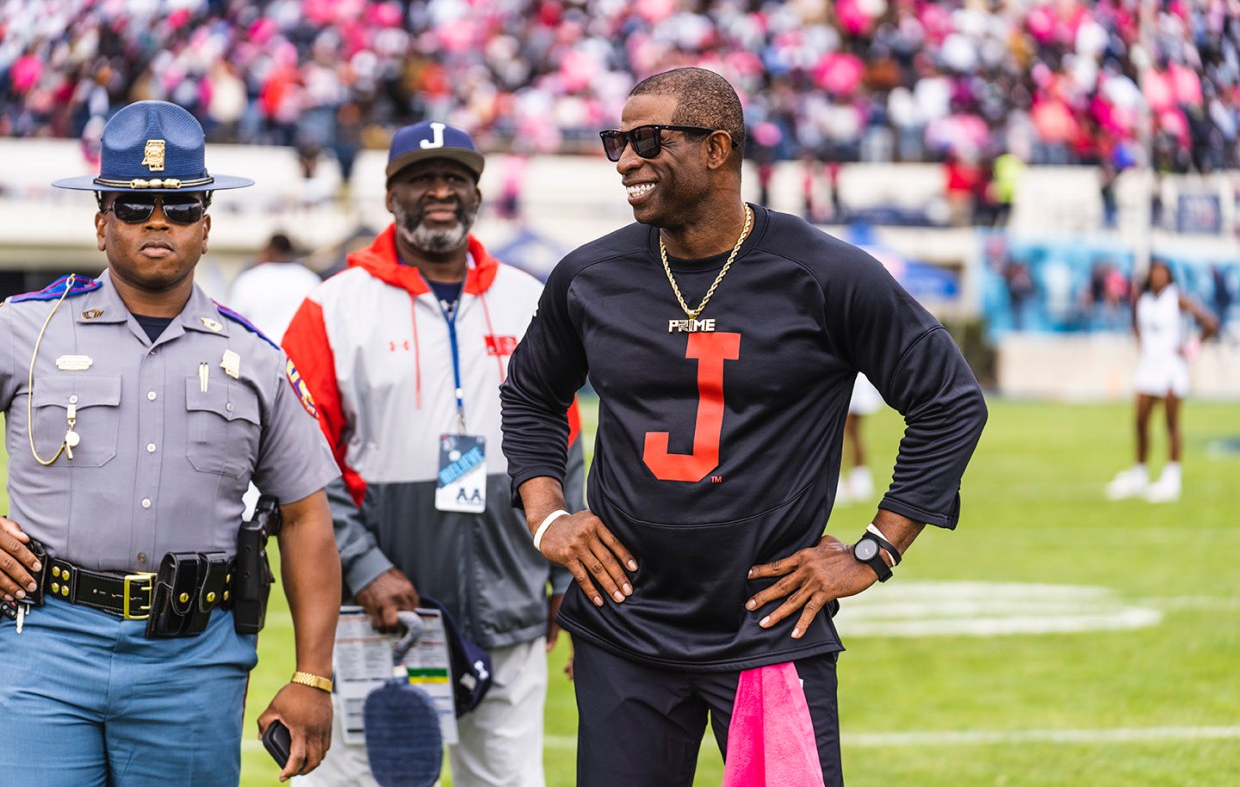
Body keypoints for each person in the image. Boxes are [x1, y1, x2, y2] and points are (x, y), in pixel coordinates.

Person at [499, 67, 988, 786]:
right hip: (623, 627)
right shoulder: (589, 275)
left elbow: (949, 401)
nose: (625, 160)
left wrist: (876, 549)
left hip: (766, 628)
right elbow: (531, 394)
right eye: (617, 141)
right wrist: (547, 518)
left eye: (646, 140)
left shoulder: (825, 274)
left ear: (717, 148)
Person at [0, 100, 342, 785]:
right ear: (102, 223)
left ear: (207, 227)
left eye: (181, 205)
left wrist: (313, 675)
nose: (158, 220)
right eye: (134, 204)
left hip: (192, 660)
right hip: (44, 645)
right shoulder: (23, 329)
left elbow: (306, 516)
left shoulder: (256, 357)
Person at [282, 120, 585, 787]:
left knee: (507, 780)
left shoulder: (530, 299)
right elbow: (300, 462)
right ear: (392, 194)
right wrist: (364, 567)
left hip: (507, 601)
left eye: (455, 178)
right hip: (383, 610)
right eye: (422, 179)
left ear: (477, 193)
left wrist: (566, 577)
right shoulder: (331, 306)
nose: (440, 191)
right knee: (355, 780)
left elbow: (566, 445)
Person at [1106, 258, 1217, 503]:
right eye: (1154, 272)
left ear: (1168, 276)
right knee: (1140, 421)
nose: (1158, 277)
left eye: (1162, 272)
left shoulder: (1177, 298)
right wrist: (1141, 344)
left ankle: (1172, 477)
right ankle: (1139, 473)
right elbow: (1135, 323)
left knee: (1171, 423)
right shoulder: (1143, 300)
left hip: (1170, 368)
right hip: (1148, 367)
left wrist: (1192, 348)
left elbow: (1210, 322)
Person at [227, 232, 323, 344]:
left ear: (268, 251)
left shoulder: (250, 279)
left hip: (261, 351)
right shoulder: (310, 279)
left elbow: (233, 320)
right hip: (298, 353)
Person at [836, 373, 884, 504]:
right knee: (850, 432)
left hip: (853, 383)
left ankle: (856, 481)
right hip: (849, 381)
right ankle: (857, 481)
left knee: (847, 431)